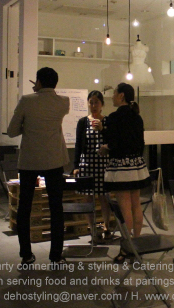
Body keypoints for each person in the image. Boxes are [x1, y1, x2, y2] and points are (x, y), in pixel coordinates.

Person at [7, 67, 69, 267]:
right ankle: (56, 255)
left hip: (29, 160)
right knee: (56, 207)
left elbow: (12, 131)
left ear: (39, 82)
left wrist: (29, 126)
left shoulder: (27, 101)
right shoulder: (63, 102)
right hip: (54, 160)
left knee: (24, 207)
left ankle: (26, 254)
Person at [98, 83, 150, 263]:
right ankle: (137, 245)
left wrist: (103, 138)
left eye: (114, 93)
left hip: (120, 167)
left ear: (121, 96)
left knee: (124, 207)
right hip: (136, 166)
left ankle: (127, 249)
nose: (112, 96)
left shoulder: (114, 117)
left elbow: (114, 142)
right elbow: (139, 143)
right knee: (136, 205)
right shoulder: (137, 117)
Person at [73, 90, 112, 243]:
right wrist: (76, 165)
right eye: (91, 102)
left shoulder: (107, 121)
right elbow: (78, 144)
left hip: (103, 164)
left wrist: (102, 129)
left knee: (104, 197)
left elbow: (112, 140)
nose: (93, 105)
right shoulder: (83, 122)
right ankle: (92, 228)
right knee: (88, 197)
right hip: (86, 164)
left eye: (96, 102)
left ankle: (107, 226)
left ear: (102, 104)